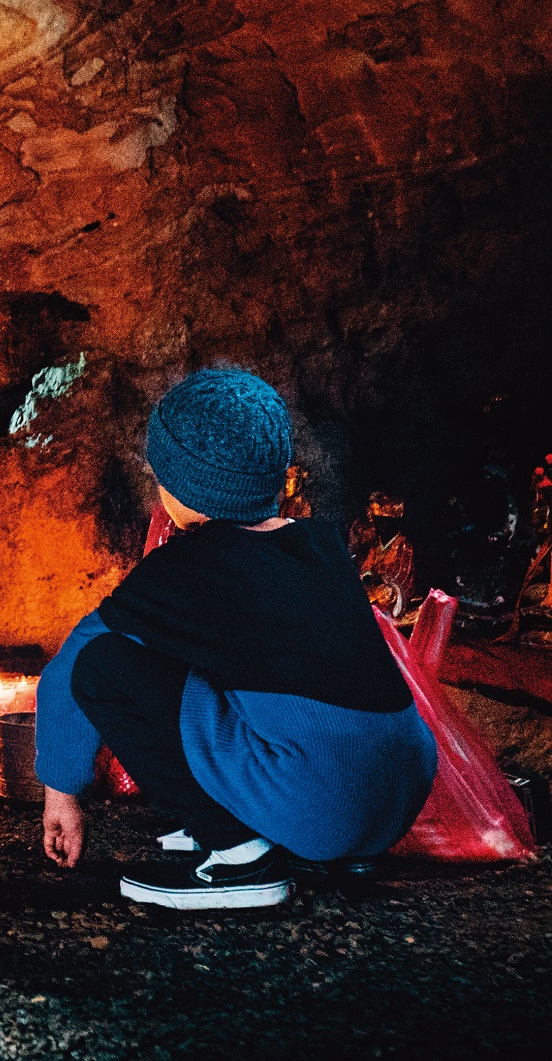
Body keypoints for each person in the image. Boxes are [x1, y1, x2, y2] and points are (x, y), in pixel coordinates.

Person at [35, 368, 438, 909]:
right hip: (399, 793)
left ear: (184, 487)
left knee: (102, 665)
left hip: (320, 804)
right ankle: (293, 839)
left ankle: (240, 858)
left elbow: (70, 669)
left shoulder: (184, 568)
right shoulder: (321, 546)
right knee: (225, 684)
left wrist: (60, 792)